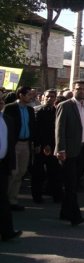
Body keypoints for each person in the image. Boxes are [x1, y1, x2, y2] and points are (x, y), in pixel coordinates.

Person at [55, 80, 84, 226]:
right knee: (71, 185)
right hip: (68, 152)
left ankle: (64, 212)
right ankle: (75, 216)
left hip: (82, 150)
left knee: (74, 183)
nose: (82, 91)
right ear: (73, 90)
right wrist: (60, 149)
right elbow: (59, 129)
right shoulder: (65, 106)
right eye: (79, 89)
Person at [4, 86, 36, 211]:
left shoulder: (30, 110)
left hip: (26, 144)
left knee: (21, 172)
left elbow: (32, 126)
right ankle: (5, 199)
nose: (31, 96)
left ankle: (13, 200)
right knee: (13, 172)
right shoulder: (10, 108)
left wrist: (35, 143)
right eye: (28, 94)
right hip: (14, 144)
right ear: (21, 95)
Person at [32, 89, 63, 203]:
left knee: (54, 173)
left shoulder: (57, 111)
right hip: (39, 147)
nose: (50, 98)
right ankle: (37, 196)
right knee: (38, 173)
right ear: (43, 97)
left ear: (55, 98)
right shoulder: (36, 111)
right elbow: (35, 130)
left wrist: (53, 145)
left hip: (54, 146)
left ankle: (56, 195)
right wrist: (39, 144)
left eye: (52, 96)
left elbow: (57, 130)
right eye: (48, 96)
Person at [0, 92, 22, 241]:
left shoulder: (7, 120)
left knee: (2, 199)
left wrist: (11, 164)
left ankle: (7, 232)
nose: (1, 102)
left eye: (1, 100)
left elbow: (11, 143)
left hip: (2, 165)